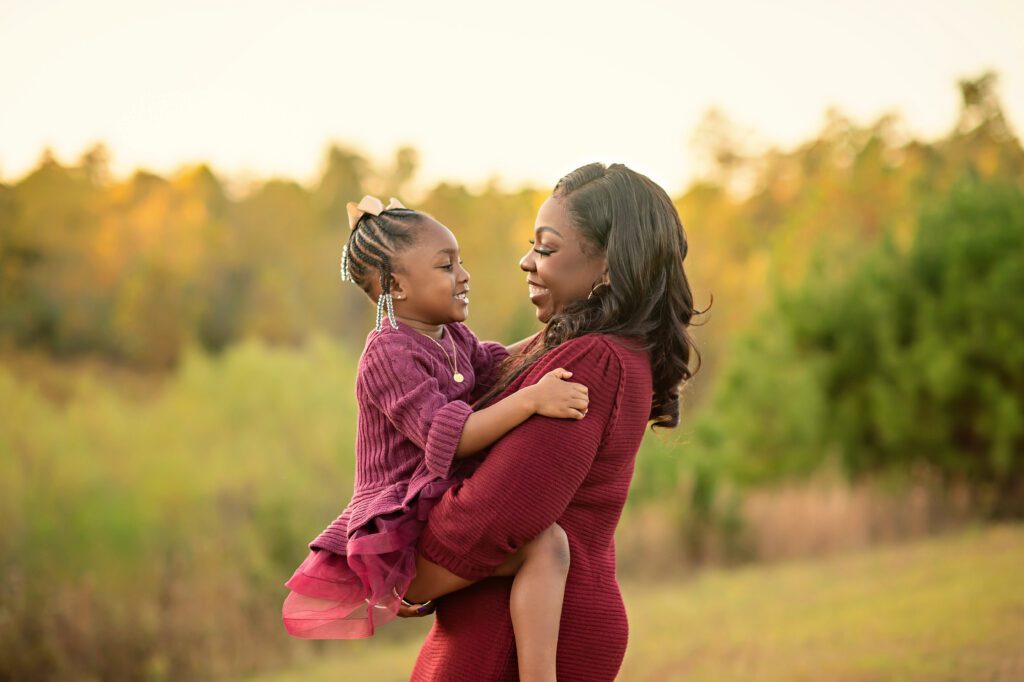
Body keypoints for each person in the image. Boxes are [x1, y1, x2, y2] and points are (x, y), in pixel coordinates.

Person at [402, 163, 701, 681]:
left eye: (545, 248)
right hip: (516, 626)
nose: (526, 261)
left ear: (609, 265)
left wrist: (404, 573)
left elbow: (495, 513)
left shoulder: (595, 360)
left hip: (520, 645)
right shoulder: (575, 346)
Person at [281, 196, 588, 682]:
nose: (464, 275)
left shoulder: (450, 338)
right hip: (403, 536)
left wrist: (559, 337)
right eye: (447, 265)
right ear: (397, 286)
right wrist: (532, 400)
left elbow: (493, 368)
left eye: (461, 261)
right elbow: (450, 437)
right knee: (547, 545)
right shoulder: (388, 354)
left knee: (549, 547)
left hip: (439, 514)